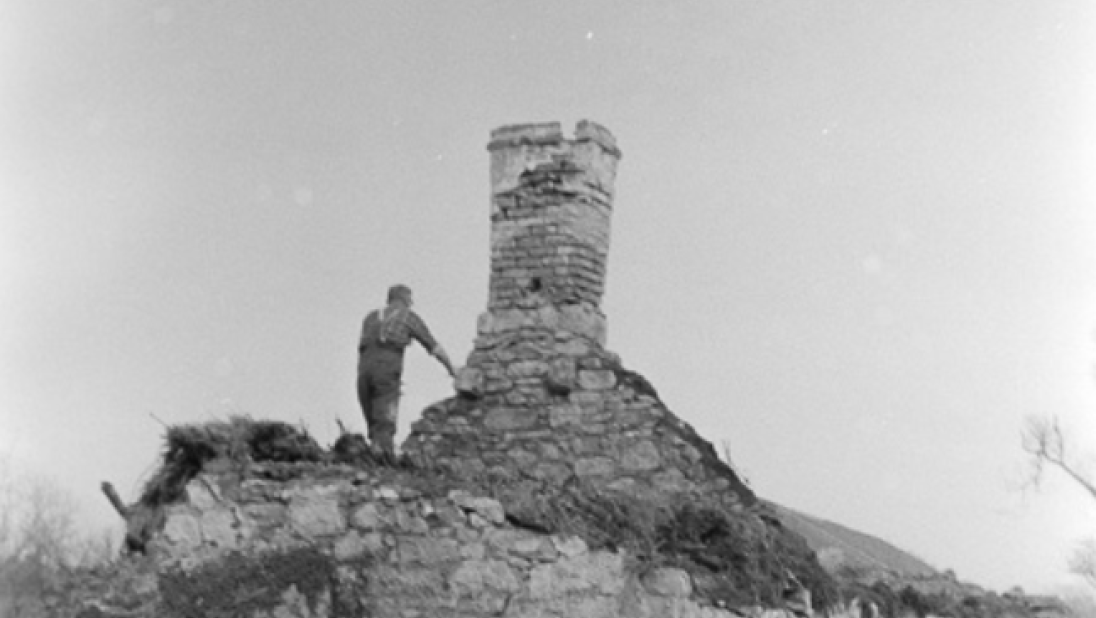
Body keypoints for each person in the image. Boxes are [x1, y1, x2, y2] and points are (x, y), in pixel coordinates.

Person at [356, 284, 455, 460]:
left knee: (372, 417)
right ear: (406, 299)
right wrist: (451, 369)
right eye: (410, 299)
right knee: (385, 416)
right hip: (386, 368)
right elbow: (433, 346)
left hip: (364, 369)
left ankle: (374, 451)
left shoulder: (370, 318)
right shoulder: (408, 317)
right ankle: (382, 460)